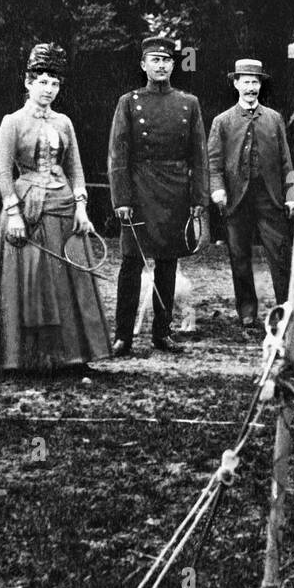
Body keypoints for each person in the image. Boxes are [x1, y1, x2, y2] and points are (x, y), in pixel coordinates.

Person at [0, 44, 110, 372]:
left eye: (54, 83)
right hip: (27, 211)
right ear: (28, 83)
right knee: (31, 280)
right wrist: (13, 215)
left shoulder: (64, 122)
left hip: (64, 206)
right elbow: (3, 172)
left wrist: (82, 208)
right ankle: (21, 358)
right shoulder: (12, 122)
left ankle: (73, 355)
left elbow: (76, 167)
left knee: (71, 279)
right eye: (42, 81)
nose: (48, 89)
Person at [108, 35, 209, 355]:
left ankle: (161, 334)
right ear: (143, 65)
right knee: (130, 264)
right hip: (138, 192)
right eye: (155, 60)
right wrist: (121, 199)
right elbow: (118, 155)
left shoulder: (188, 103)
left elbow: (199, 157)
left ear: (173, 65)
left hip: (175, 192)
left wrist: (198, 200)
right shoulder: (129, 102)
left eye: (166, 60)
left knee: (167, 264)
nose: (161, 65)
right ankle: (123, 335)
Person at [207, 59, 294, 328]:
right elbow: (214, 161)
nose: (250, 87)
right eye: (245, 81)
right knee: (239, 255)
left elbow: (285, 161)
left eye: (255, 82)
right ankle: (246, 309)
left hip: (270, 197)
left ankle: (286, 310)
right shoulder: (222, 121)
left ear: (260, 85)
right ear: (236, 84)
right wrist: (218, 189)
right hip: (236, 199)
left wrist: (291, 194)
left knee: (280, 255)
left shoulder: (274, 118)